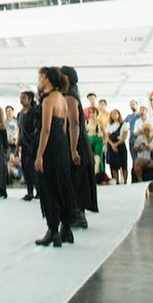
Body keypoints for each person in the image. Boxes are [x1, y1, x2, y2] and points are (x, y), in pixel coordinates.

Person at [34, 67, 76, 247]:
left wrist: (39, 155)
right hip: (61, 145)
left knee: (48, 186)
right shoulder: (62, 99)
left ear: (48, 79)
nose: (39, 80)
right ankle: (66, 229)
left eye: (41, 77)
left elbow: (46, 129)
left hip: (50, 145)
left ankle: (53, 230)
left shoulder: (48, 100)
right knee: (62, 184)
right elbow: (65, 127)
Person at [62, 67, 98, 227]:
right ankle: (76, 213)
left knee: (75, 178)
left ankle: (77, 214)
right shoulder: (70, 95)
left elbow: (74, 123)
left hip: (75, 142)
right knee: (75, 178)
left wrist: (73, 148)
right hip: (75, 141)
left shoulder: (70, 97)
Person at [16, 91, 40, 201]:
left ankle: (39, 191)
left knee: (34, 169)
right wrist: (17, 146)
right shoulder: (19, 114)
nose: (21, 99)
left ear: (30, 99)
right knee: (26, 168)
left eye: (24, 97)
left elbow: (37, 129)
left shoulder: (34, 112)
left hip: (34, 144)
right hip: (24, 145)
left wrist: (34, 143)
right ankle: (30, 192)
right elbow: (20, 131)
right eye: (21, 97)